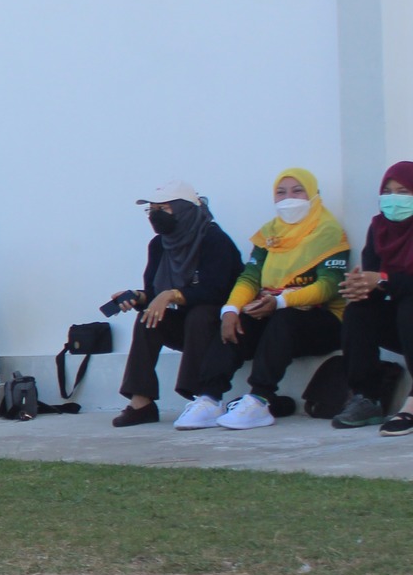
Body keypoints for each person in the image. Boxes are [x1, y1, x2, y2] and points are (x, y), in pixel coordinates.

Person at [176, 168, 349, 431]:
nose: (288, 198)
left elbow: (328, 286)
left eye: (297, 190)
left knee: (285, 318)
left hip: (323, 322)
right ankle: (209, 399)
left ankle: (260, 399)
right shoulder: (269, 234)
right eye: (281, 192)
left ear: (313, 195)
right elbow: (250, 277)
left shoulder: (329, 233)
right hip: (276, 316)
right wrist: (231, 309)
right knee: (238, 320)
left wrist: (280, 301)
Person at [110, 181, 244, 428]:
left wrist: (173, 295)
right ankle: (142, 403)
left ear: (184, 210)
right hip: (187, 326)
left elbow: (218, 290)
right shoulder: (159, 245)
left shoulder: (214, 239)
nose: (155, 215)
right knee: (147, 319)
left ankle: (201, 400)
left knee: (200, 314)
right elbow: (154, 294)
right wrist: (138, 298)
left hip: (221, 327)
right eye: (152, 210)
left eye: (163, 208)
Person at [334, 161, 413, 435]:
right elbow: (372, 275)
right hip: (404, 326)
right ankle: (367, 398)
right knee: (359, 309)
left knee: (409, 307)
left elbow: (384, 279)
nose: (394, 199)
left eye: (403, 191)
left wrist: (382, 280)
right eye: (388, 191)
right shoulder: (379, 228)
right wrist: (359, 288)